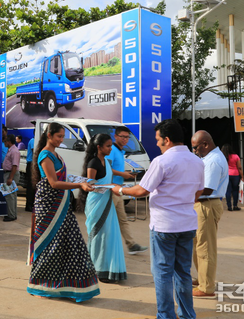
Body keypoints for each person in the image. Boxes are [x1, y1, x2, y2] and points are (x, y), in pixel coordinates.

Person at [112, 119, 204, 319]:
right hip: (187, 224)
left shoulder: (162, 161)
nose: (157, 143)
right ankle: (187, 315)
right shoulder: (197, 161)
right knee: (183, 272)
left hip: (165, 225)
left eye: (158, 139)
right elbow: (198, 193)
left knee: (162, 272)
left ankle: (166, 315)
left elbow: (141, 190)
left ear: (167, 140)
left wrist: (119, 189)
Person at [27, 122, 99, 302]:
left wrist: (81, 181)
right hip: (50, 207)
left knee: (69, 244)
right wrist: (79, 185)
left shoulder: (56, 154)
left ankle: (71, 287)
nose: (61, 140)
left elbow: (62, 178)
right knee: (50, 245)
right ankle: (43, 285)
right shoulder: (45, 155)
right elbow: (53, 183)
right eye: (59, 136)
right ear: (49, 135)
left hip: (61, 204)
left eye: (63, 137)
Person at [82, 133, 127, 283]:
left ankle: (108, 268)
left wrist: (115, 186)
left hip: (107, 201)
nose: (110, 148)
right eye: (108, 146)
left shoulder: (107, 162)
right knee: (98, 236)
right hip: (96, 203)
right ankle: (96, 269)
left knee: (108, 235)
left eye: (111, 146)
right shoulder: (93, 163)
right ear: (99, 147)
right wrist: (110, 186)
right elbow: (91, 186)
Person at [190, 130, 228, 298]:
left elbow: (207, 189)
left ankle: (206, 287)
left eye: (195, 147)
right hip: (202, 204)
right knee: (198, 244)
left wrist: (185, 194)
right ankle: (202, 278)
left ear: (205, 144)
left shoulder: (213, 161)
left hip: (207, 204)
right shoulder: (209, 157)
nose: (194, 151)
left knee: (205, 246)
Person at [108, 126, 148, 255]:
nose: (125, 139)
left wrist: (126, 174)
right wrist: (123, 174)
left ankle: (131, 245)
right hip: (111, 189)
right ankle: (105, 247)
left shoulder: (120, 151)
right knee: (108, 221)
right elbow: (107, 169)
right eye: (123, 137)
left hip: (118, 190)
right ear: (116, 136)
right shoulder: (112, 150)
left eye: (127, 137)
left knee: (123, 219)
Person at [2, 134, 20, 222]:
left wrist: (10, 178)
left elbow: (14, 165)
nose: (4, 143)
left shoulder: (14, 151)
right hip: (9, 173)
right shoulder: (11, 150)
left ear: (9, 142)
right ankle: (12, 214)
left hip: (11, 174)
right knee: (12, 195)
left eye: (5, 141)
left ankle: (11, 215)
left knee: (10, 196)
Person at [221, 144, 243, 211]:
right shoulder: (236, 156)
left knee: (228, 191)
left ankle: (229, 206)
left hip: (226, 175)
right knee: (235, 190)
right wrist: (242, 176)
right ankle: (235, 206)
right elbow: (239, 167)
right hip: (235, 175)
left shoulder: (222, 157)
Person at [24, 137, 35, 212]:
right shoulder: (33, 141)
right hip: (31, 164)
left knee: (34, 185)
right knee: (30, 186)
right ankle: (29, 205)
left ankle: (32, 204)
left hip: (33, 164)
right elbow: (35, 151)